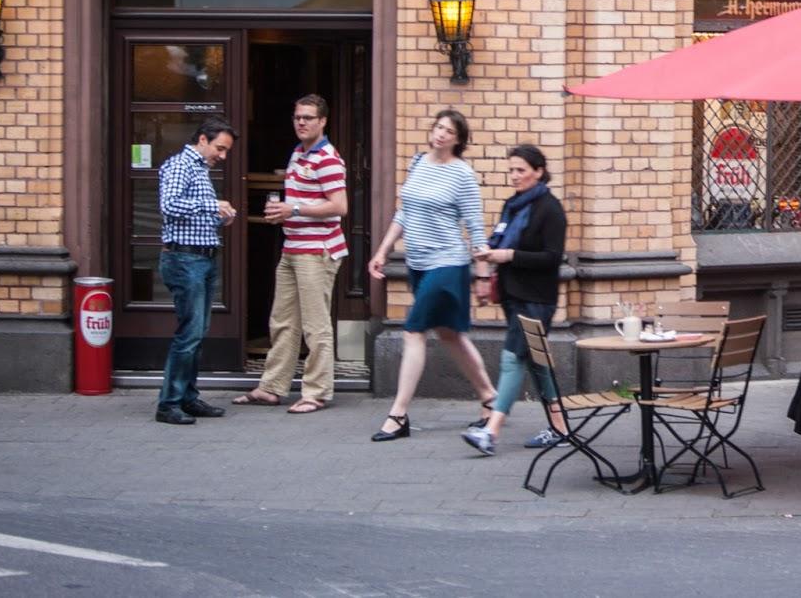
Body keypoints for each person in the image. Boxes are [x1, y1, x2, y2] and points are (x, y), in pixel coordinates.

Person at [367, 109, 498, 441]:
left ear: (458, 139)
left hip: (447, 264)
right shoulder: (418, 162)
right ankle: (490, 398)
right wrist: (383, 251)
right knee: (451, 334)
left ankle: (398, 415)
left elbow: (474, 226)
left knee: (414, 331)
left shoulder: (462, 174)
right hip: (418, 263)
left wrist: (483, 275)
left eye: (449, 131)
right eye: (438, 127)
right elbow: (404, 212)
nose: (440, 133)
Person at [234, 94, 348, 414]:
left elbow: (340, 206)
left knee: (315, 325)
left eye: (309, 118)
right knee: (283, 321)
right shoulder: (299, 152)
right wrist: (285, 213)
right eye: (298, 117)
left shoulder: (327, 158)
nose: (301, 122)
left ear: (323, 121)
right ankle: (272, 387)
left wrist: (294, 207)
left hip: (317, 251)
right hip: (294, 247)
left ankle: (317, 392)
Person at [460, 144, 567, 457]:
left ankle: (490, 431)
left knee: (512, 357)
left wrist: (507, 255)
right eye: (511, 170)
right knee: (537, 363)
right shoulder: (513, 206)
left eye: (520, 170)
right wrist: (486, 255)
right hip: (513, 293)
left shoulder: (550, 209)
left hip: (536, 299)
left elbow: (551, 258)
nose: (514, 176)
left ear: (538, 171)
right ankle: (560, 427)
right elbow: (499, 238)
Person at [155, 117, 239, 425]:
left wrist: (221, 218)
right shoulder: (181, 165)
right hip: (184, 260)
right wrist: (212, 206)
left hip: (201, 258)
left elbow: (191, 215)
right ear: (202, 140)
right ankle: (169, 403)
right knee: (188, 335)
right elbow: (169, 206)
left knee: (197, 333)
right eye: (220, 148)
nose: (223, 156)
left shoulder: (200, 169)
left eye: (226, 150)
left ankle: (188, 398)